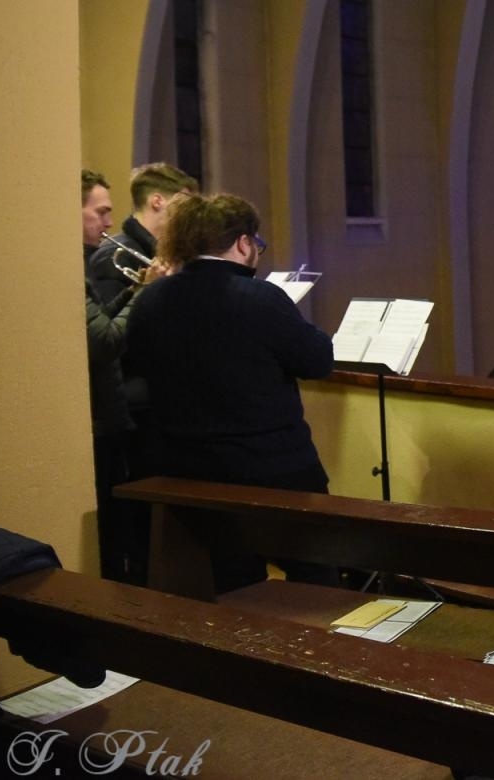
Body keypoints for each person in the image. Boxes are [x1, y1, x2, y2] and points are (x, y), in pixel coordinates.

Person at [126, 192, 336, 591]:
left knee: (234, 582)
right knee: (315, 577)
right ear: (243, 242)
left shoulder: (150, 300)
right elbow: (317, 362)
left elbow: (139, 366)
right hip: (272, 471)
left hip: (187, 472)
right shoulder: (261, 298)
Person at [82, 170, 145, 582]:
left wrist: (132, 288)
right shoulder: (70, 269)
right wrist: (141, 294)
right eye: (101, 212)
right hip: (99, 419)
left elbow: (99, 320)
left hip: (110, 414)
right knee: (110, 532)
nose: (109, 223)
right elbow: (102, 340)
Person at [88, 162, 198, 305]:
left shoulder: (169, 254)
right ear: (157, 202)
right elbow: (113, 323)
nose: (190, 214)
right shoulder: (113, 255)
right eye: (184, 205)